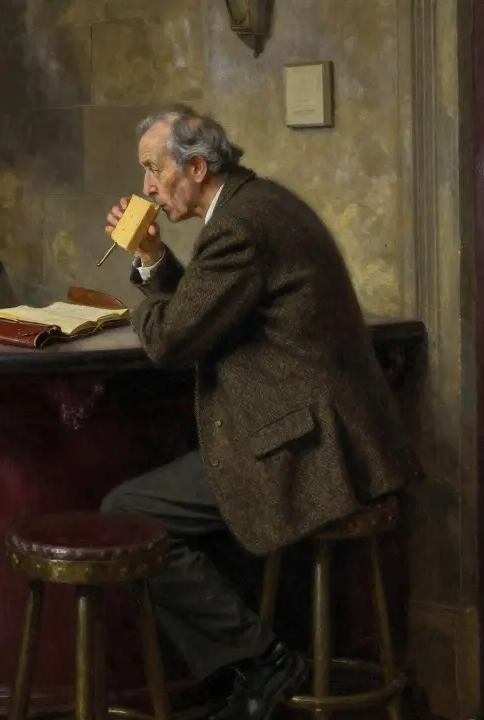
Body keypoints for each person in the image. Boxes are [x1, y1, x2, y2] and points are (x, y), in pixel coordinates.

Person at [100, 105, 421, 720]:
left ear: (194, 167)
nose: (145, 187)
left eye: (152, 170)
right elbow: (208, 306)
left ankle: (265, 660)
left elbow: (172, 340)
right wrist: (153, 259)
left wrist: (135, 291)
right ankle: (253, 666)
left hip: (312, 446)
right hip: (315, 429)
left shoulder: (240, 227)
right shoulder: (258, 203)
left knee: (130, 513)